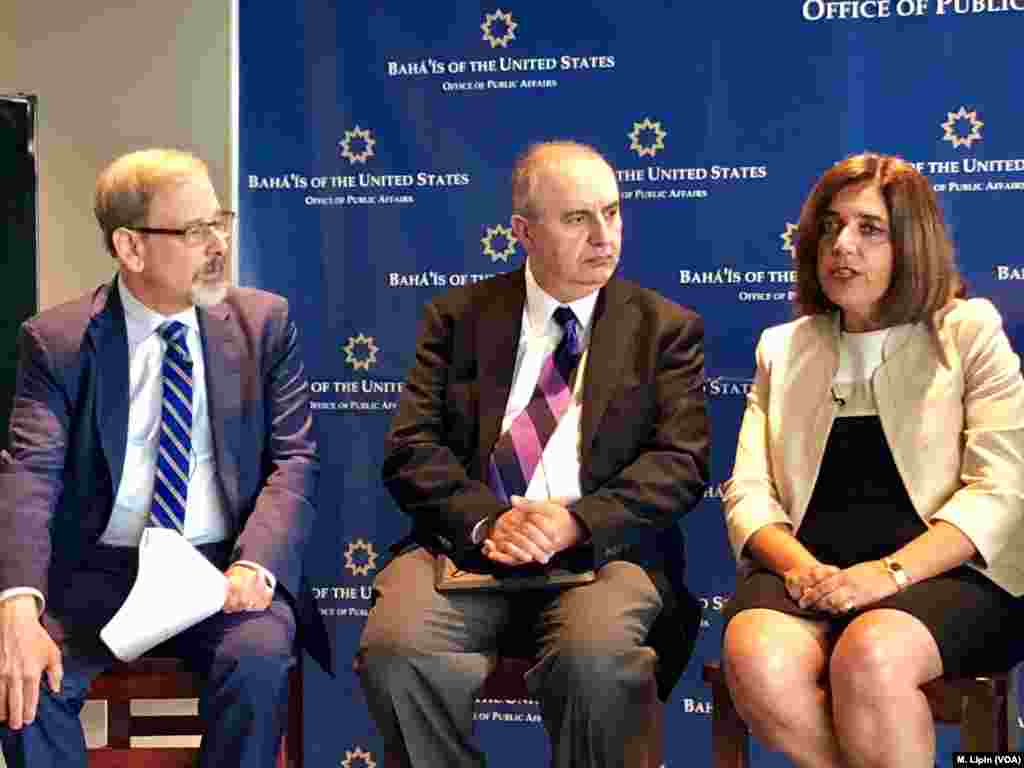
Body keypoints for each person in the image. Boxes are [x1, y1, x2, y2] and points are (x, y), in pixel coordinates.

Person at [356, 140, 709, 767]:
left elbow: (679, 464)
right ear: (522, 231)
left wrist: (574, 521)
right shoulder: (458, 317)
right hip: (468, 547)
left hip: (602, 553)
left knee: (596, 662)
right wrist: (492, 521)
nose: (604, 236)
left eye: (613, 212)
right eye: (578, 219)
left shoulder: (663, 329)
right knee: (397, 648)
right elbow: (412, 449)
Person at [0, 148, 330, 768]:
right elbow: (29, 474)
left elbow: (295, 460)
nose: (218, 245)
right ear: (130, 247)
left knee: (258, 661)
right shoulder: (59, 342)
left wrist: (256, 567)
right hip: (99, 578)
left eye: (219, 222)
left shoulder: (264, 325)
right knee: (25, 681)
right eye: (194, 230)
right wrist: (17, 606)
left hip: (220, 574)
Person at [721, 152, 1024, 768]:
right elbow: (749, 492)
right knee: (755, 655)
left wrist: (886, 576)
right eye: (830, 227)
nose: (842, 246)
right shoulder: (783, 348)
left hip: (947, 576)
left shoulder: (969, 331)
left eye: (869, 229)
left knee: (872, 652)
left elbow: (1000, 490)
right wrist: (805, 572)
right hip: (812, 572)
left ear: (910, 244)